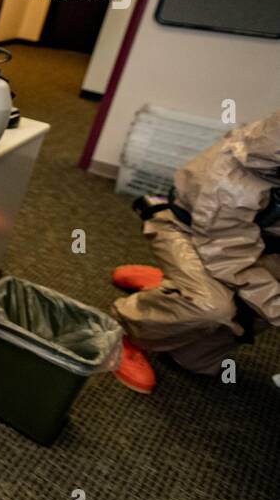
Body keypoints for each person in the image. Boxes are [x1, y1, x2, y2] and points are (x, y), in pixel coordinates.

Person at [111, 110, 280, 392]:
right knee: (214, 308)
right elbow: (231, 260)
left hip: (250, 242)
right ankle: (125, 332)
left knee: (193, 359)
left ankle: (173, 290)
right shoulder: (233, 180)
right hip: (191, 234)